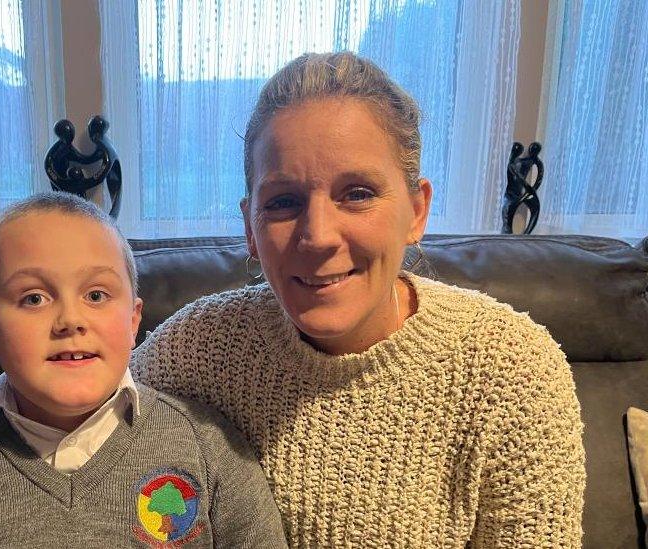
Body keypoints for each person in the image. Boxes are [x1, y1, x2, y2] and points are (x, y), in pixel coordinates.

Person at [131, 51, 586, 548]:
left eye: (358, 193)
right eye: (283, 202)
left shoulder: (512, 370)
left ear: (416, 211)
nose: (319, 236)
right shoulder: (193, 352)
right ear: (249, 228)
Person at [0, 192, 287, 548]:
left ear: (132, 321)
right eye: (33, 298)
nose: (70, 320)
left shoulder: (209, 448)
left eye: (96, 294)